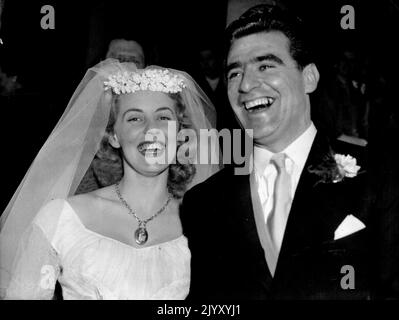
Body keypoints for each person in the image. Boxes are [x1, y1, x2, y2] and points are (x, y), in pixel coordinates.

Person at [181, 4, 398, 299]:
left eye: (265, 66)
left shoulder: (380, 175)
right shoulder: (203, 202)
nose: (245, 84)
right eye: (234, 73)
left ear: (309, 77)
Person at [0, 59, 219, 299]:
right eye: (135, 118)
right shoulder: (62, 217)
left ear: (180, 134)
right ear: (114, 135)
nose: (151, 130)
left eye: (163, 118)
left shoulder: (204, 225)